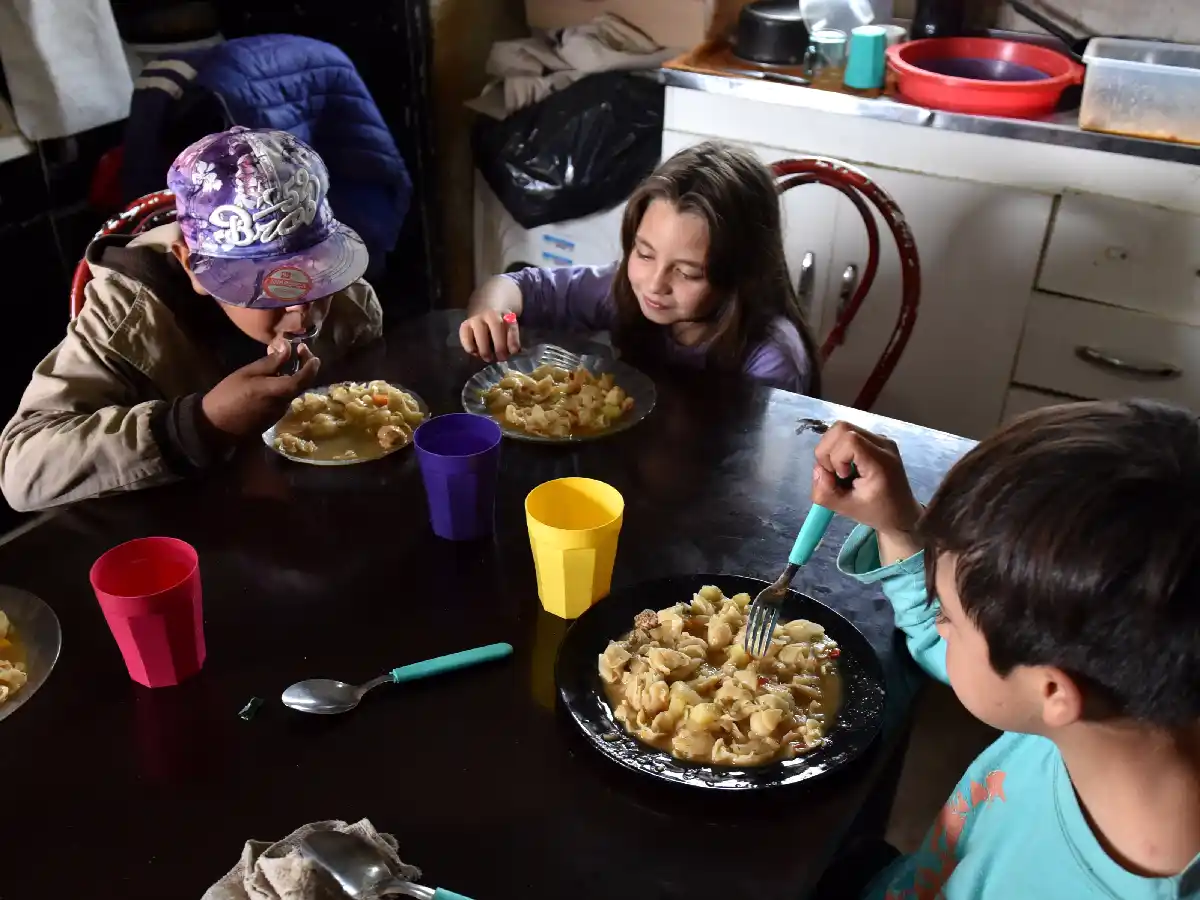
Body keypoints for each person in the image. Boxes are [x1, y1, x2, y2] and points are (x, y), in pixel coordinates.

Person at [810, 403, 1200, 900]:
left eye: (947, 615)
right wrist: (900, 524)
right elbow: (987, 665)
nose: (938, 625)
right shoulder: (1123, 701)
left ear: (1055, 690)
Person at [0, 127, 383, 512]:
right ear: (195, 268)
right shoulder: (124, 316)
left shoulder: (347, 295)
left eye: (315, 275)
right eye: (271, 290)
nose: (304, 311)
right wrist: (197, 427)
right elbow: (23, 469)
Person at [459, 141, 820, 395]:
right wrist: (495, 314)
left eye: (688, 272)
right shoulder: (621, 292)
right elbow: (517, 286)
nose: (655, 284)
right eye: (644, 254)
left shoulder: (773, 360)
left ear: (741, 272)